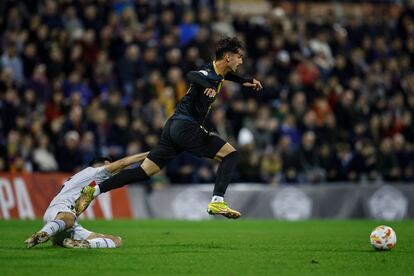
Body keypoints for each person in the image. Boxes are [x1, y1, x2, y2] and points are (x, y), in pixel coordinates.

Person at [76, 37, 263, 219]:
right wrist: (208, 86)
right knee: (231, 154)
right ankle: (217, 200)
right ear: (228, 57)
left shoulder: (220, 73)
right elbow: (192, 75)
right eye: (239, 56)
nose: (241, 60)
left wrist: (245, 80)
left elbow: (225, 75)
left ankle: (93, 190)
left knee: (144, 171)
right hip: (186, 128)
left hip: (173, 127)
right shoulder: (207, 73)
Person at [24, 152, 148, 249]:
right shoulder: (95, 172)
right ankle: (41, 234)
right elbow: (122, 163)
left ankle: (81, 244)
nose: (115, 172)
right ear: (106, 163)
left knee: (116, 241)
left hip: (65, 226)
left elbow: (81, 202)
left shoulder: (87, 182)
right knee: (69, 218)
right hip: (60, 213)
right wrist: (151, 154)